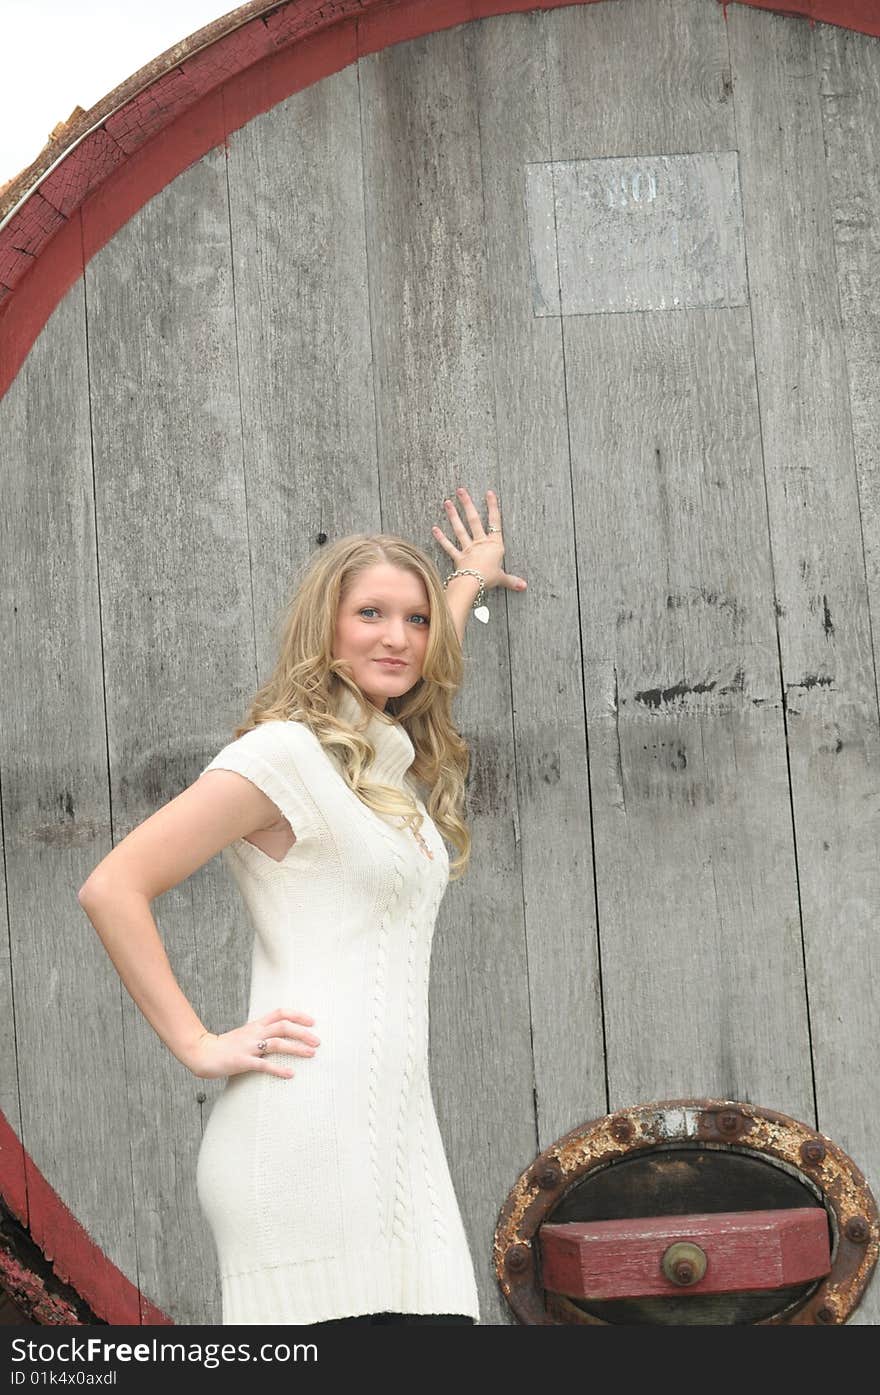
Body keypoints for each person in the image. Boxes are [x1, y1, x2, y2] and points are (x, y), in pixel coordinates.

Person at [78, 486, 527, 1326]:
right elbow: (113, 885)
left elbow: (417, 663)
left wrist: (466, 578)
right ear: (327, 627)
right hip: (306, 1144)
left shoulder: (382, 763)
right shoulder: (282, 756)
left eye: (416, 618)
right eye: (370, 613)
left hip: (397, 1151)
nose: (397, 636)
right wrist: (200, 1043)